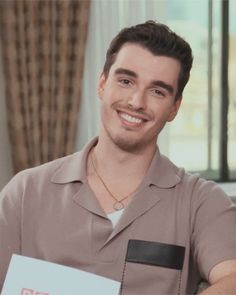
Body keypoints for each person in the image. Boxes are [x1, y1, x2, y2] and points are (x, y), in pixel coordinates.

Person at [0, 21, 236, 294]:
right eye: (126, 81)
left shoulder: (201, 201)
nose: (136, 101)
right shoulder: (26, 191)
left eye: (157, 91)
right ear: (102, 84)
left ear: (174, 108)